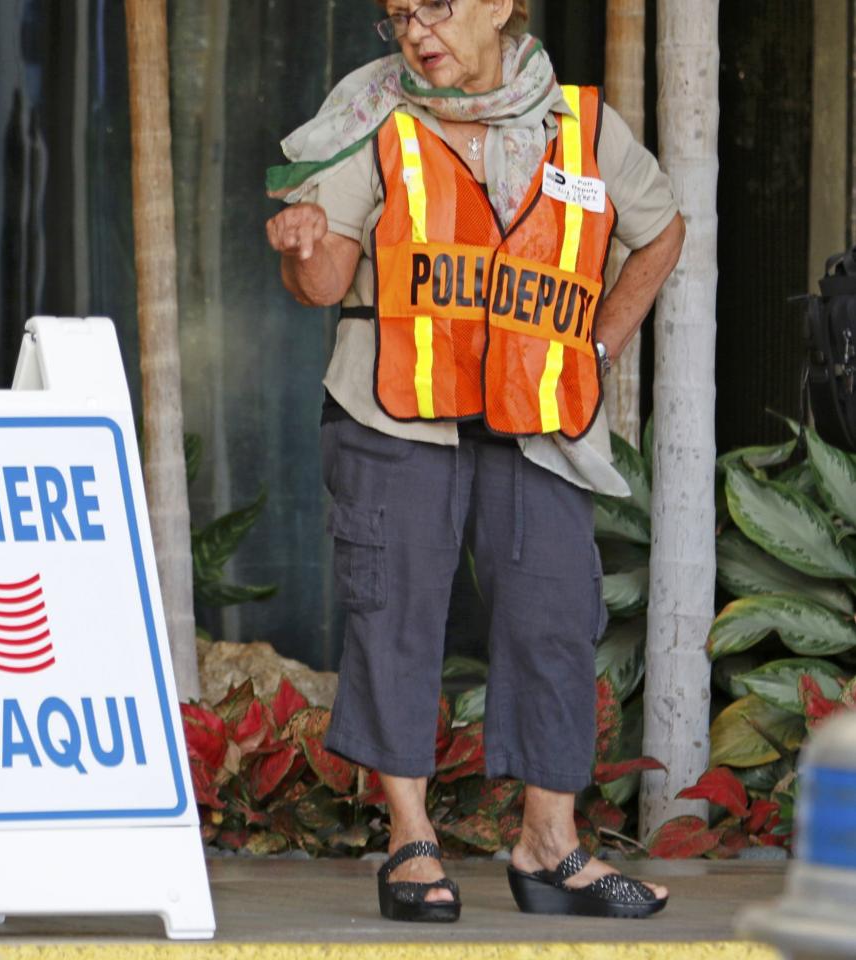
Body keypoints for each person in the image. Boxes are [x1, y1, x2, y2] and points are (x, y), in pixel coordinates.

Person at [266, 0, 683, 923]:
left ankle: (550, 847)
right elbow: (324, 280)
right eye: (399, 15)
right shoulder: (370, 113)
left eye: (437, 8)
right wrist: (304, 248)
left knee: (553, 613)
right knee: (396, 612)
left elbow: (660, 231)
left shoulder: (581, 125)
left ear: (501, 5)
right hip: (396, 409)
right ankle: (410, 841)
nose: (417, 30)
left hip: (537, 414)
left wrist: (599, 351)